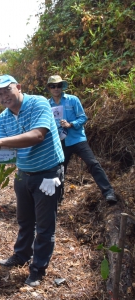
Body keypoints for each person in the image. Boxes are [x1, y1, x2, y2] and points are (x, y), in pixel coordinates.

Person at [0, 75, 65, 287]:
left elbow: (37, 135)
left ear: (18, 87)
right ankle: (21, 254)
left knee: (45, 226)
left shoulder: (38, 103)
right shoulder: (3, 118)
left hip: (47, 174)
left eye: (6, 90)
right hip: (23, 174)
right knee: (25, 220)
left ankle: (37, 269)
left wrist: (0, 142)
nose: (3, 96)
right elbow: (10, 148)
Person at [47, 75, 117, 204]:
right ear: (49, 88)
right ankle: (57, 198)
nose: (56, 88)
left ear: (62, 87)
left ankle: (108, 192)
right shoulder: (47, 104)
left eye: (58, 85)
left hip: (77, 139)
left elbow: (83, 118)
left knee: (93, 163)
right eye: (53, 86)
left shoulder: (72, 100)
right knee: (60, 169)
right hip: (61, 141)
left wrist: (71, 124)